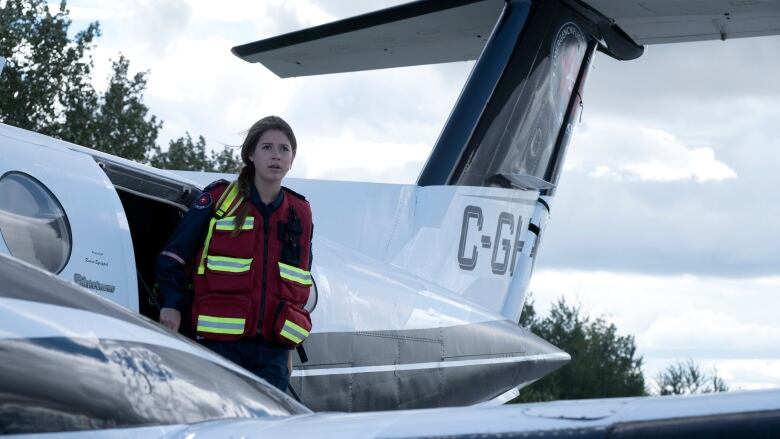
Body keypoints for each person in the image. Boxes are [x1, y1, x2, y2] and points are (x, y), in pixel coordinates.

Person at [155, 115, 313, 392]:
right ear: (250, 154)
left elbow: (296, 286)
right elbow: (173, 257)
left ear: (292, 158)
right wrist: (172, 304)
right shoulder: (218, 199)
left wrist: (288, 348)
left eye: (283, 149)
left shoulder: (299, 212)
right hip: (220, 345)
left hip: (272, 352)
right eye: (267, 147)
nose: (276, 155)